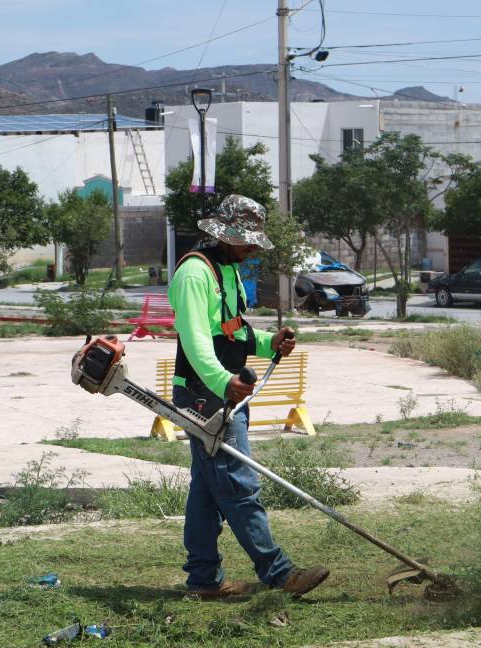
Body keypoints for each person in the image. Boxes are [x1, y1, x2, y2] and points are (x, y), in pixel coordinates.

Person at [168, 194, 329, 599]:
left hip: (223, 391)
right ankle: (279, 573)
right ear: (226, 235)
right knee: (238, 484)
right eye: (248, 240)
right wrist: (224, 383)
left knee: (207, 491)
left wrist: (268, 342)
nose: (254, 247)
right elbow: (196, 341)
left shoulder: (227, 269)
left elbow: (233, 331)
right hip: (206, 395)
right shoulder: (194, 274)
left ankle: (203, 581)